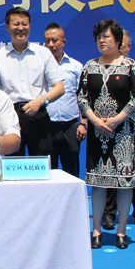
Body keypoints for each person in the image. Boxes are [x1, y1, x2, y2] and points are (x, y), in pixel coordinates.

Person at [77, 19, 135, 250]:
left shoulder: (130, 66)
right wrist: (94, 120)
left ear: (118, 40)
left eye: (106, 36)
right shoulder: (89, 66)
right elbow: (82, 97)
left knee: (124, 184)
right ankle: (96, 231)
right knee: (99, 183)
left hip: (122, 134)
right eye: (99, 37)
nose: (102, 41)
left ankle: (121, 231)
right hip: (98, 134)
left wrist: (116, 120)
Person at [0, 7, 64, 157]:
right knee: (11, 164)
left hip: (38, 114)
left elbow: (59, 87)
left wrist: (40, 101)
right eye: (16, 24)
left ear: (30, 26)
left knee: (42, 163)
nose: (21, 28)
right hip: (9, 116)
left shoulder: (43, 53)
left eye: (24, 24)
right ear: (7, 27)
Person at [103, 29, 135, 229]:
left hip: (133, 127)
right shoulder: (103, 67)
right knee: (110, 171)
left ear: (128, 46)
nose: (118, 48)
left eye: (121, 45)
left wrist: (130, 118)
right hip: (109, 128)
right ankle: (109, 214)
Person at [43, 23, 86, 177]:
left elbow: (83, 97)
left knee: (72, 172)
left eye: (55, 40)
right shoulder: (39, 67)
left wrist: (83, 123)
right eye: (47, 41)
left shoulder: (76, 66)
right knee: (48, 173)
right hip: (47, 127)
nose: (51, 45)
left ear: (63, 41)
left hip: (71, 126)